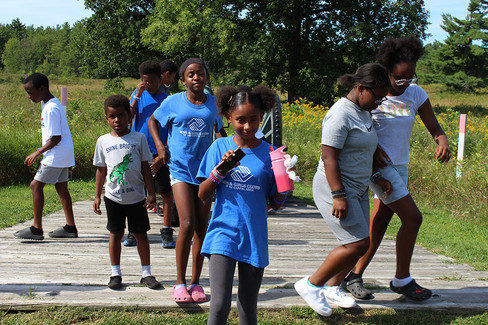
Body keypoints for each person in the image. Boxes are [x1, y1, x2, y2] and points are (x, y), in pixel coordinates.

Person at [342, 36, 451, 301]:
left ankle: (352, 276)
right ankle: (402, 279)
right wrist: (377, 173)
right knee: (413, 218)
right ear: (387, 72)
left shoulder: (416, 94)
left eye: (410, 78)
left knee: (380, 222)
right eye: (400, 78)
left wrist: (442, 141)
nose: (405, 84)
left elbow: (434, 127)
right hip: (379, 168)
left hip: (401, 167)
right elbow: (361, 135)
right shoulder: (373, 95)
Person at [294, 63, 392, 316]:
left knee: (361, 242)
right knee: (356, 243)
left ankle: (331, 288)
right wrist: (338, 195)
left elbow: (362, 153)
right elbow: (330, 159)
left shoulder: (363, 112)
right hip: (334, 187)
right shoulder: (340, 114)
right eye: (377, 96)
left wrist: (376, 177)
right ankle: (311, 284)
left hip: (357, 187)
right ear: (360, 88)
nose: (379, 103)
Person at [197, 85, 288, 324]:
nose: (247, 126)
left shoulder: (270, 153)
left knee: (248, 305)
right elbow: (203, 193)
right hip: (222, 233)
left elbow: (275, 203)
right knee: (218, 305)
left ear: (262, 117)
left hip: (254, 235)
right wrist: (221, 170)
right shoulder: (219, 147)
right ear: (228, 117)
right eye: (240, 120)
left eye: (253, 120)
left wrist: (286, 181)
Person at [148, 58, 226, 303]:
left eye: (200, 73)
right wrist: (160, 147)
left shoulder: (214, 105)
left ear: (206, 77)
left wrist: (228, 151)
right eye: (190, 75)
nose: (196, 78)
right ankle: (179, 283)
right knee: (188, 223)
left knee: (202, 227)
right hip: (180, 170)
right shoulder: (172, 102)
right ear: (182, 80)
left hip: (206, 172)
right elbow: (152, 121)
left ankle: (195, 282)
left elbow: (220, 131)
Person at [93, 95, 162, 290]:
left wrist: (151, 193)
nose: (117, 120)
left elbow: (145, 168)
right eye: (112, 116)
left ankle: (146, 273)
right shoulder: (103, 141)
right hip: (113, 197)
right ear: (107, 118)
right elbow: (100, 169)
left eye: (121, 116)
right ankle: (115, 273)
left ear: (129, 116)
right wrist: (97, 195)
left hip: (137, 197)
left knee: (141, 234)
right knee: (115, 233)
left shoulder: (139, 138)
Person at [14, 73, 78, 240]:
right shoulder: (51, 103)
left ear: (42, 89)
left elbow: (55, 138)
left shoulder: (50, 108)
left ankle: (36, 228)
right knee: (61, 188)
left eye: (30, 92)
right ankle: (70, 227)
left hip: (56, 154)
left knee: (35, 186)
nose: (29, 96)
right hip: (64, 154)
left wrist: (37, 152)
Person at [123, 60, 176, 249]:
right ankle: (134, 230)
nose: (148, 85)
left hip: (159, 152)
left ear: (160, 79)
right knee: (136, 192)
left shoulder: (167, 100)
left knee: (165, 192)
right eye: (144, 81)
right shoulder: (138, 96)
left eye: (151, 81)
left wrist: (164, 154)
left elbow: (171, 129)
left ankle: (167, 231)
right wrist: (137, 96)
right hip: (138, 151)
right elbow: (127, 118)